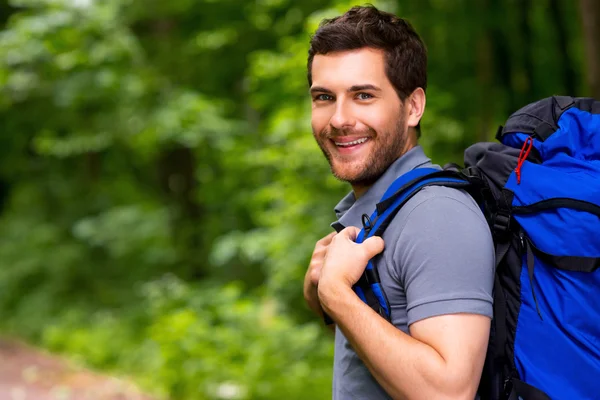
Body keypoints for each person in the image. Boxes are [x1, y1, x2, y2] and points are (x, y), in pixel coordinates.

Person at [302, 5, 495, 400]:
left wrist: (336, 295)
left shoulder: (437, 215)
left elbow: (450, 393)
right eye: (324, 97)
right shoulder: (384, 212)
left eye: (363, 95)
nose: (339, 118)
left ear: (413, 107)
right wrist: (321, 294)